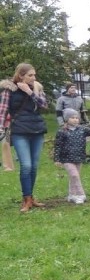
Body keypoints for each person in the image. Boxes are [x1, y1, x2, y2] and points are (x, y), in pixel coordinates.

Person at [0, 63, 49, 212]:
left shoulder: (36, 88)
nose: (34, 78)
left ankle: (31, 197)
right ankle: (26, 199)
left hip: (37, 130)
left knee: (34, 166)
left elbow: (44, 105)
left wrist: (30, 92)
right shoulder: (8, 89)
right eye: (30, 75)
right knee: (26, 165)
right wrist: (1, 127)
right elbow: (2, 110)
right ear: (20, 75)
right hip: (20, 131)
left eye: (34, 75)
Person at [53, 108, 90, 204]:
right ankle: (81, 195)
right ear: (66, 119)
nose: (75, 119)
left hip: (79, 157)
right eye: (72, 118)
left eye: (77, 118)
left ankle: (72, 195)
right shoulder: (62, 132)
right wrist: (57, 159)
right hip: (67, 158)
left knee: (74, 177)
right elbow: (58, 145)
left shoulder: (82, 129)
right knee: (74, 175)